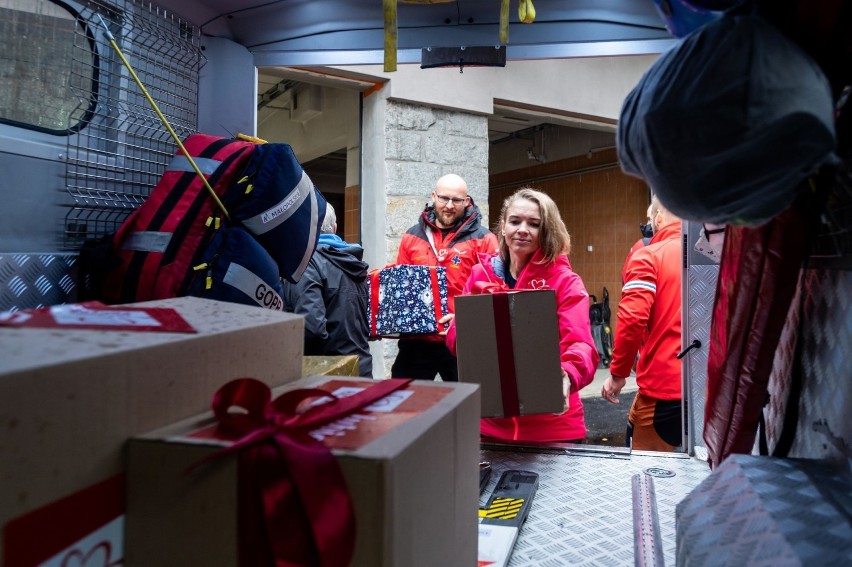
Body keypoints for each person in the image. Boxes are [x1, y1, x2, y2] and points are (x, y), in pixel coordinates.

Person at [446, 187, 599, 442]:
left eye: (534, 224)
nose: (522, 229)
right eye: (515, 221)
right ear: (503, 227)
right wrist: (461, 328)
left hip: (553, 428)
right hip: (490, 425)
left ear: (546, 231)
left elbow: (581, 344)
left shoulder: (565, 282)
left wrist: (568, 373)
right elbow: (457, 341)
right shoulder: (479, 276)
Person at [392, 173, 498, 382]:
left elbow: (493, 292)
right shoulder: (411, 237)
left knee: (470, 406)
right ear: (433, 196)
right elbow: (401, 286)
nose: (449, 205)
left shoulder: (484, 240)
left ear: (467, 202)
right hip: (417, 341)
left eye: (456, 200)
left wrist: (464, 320)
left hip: (463, 339)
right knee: (406, 404)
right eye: (444, 198)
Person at [601, 196, 683, 451]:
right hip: (711, 389)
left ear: (658, 218)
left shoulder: (648, 256)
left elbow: (633, 318)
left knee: (649, 474)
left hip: (664, 387)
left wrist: (618, 373)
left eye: (650, 219)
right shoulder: (714, 254)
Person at [282, 204, 373, 377]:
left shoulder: (306, 263)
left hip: (328, 374)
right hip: (361, 368)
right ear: (335, 228)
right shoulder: (354, 263)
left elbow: (311, 330)